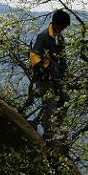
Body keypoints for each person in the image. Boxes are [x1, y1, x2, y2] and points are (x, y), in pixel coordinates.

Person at [27, 9, 71, 139]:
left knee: (65, 100)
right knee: (50, 105)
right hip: (45, 78)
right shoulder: (44, 36)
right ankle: (49, 133)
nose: (64, 29)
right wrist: (42, 71)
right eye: (63, 26)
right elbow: (34, 55)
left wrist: (66, 71)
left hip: (57, 78)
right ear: (57, 24)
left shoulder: (60, 37)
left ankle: (57, 126)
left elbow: (62, 57)